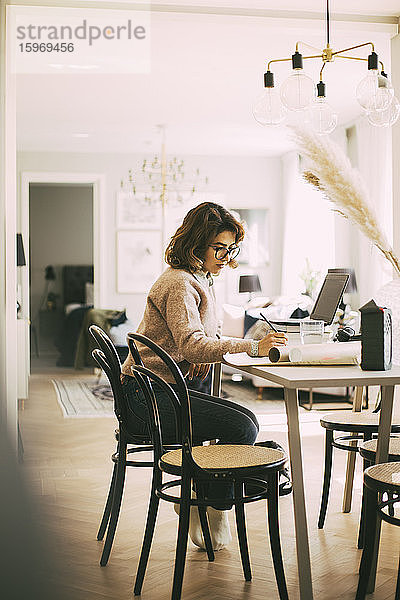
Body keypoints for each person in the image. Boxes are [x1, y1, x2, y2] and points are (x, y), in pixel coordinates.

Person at [121, 202, 287, 550]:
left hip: (162, 389)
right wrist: (252, 346)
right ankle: (216, 504)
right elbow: (194, 343)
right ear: (196, 244)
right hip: (148, 401)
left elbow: (194, 341)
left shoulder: (201, 278)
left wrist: (193, 354)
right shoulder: (180, 282)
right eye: (219, 248)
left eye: (231, 249)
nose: (226, 256)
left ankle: (205, 488)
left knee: (245, 420)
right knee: (243, 426)